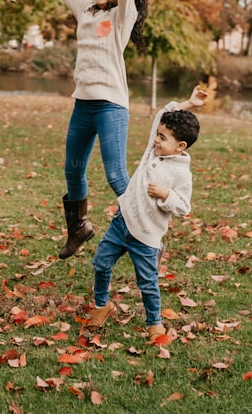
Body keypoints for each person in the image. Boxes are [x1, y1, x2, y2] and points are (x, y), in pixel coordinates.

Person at [10, 0, 153, 259]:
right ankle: (80, 228)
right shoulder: (85, 11)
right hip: (83, 105)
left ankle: (146, 237)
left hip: (111, 106)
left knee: (117, 175)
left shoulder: (122, 17)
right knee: (72, 171)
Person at [82, 86, 208, 342]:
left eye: (163, 138)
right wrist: (190, 103)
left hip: (147, 236)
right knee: (101, 263)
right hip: (122, 222)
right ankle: (101, 306)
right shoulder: (153, 151)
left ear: (180, 146)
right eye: (157, 135)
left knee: (147, 282)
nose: (156, 140)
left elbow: (184, 207)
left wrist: (165, 195)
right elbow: (165, 112)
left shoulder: (182, 174)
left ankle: (154, 324)